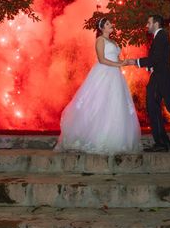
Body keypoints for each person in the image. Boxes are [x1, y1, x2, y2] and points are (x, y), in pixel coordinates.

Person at [55, 17, 141, 154]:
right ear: (102, 28)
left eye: (110, 23)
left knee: (116, 103)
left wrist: (127, 62)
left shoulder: (113, 41)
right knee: (100, 102)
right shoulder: (100, 40)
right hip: (103, 73)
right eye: (107, 24)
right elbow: (101, 59)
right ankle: (95, 137)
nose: (111, 25)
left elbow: (116, 59)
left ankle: (116, 138)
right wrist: (119, 64)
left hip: (115, 75)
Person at [125, 14, 170, 152]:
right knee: (153, 109)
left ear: (156, 23)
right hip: (158, 76)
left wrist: (136, 62)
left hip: (159, 78)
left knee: (152, 109)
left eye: (148, 23)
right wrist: (149, 66)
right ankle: (164, 142)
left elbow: (155, 58)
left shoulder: (161, 36)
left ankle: (161, 143)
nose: (147, 25)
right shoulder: (160, 36)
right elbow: (158, 58)